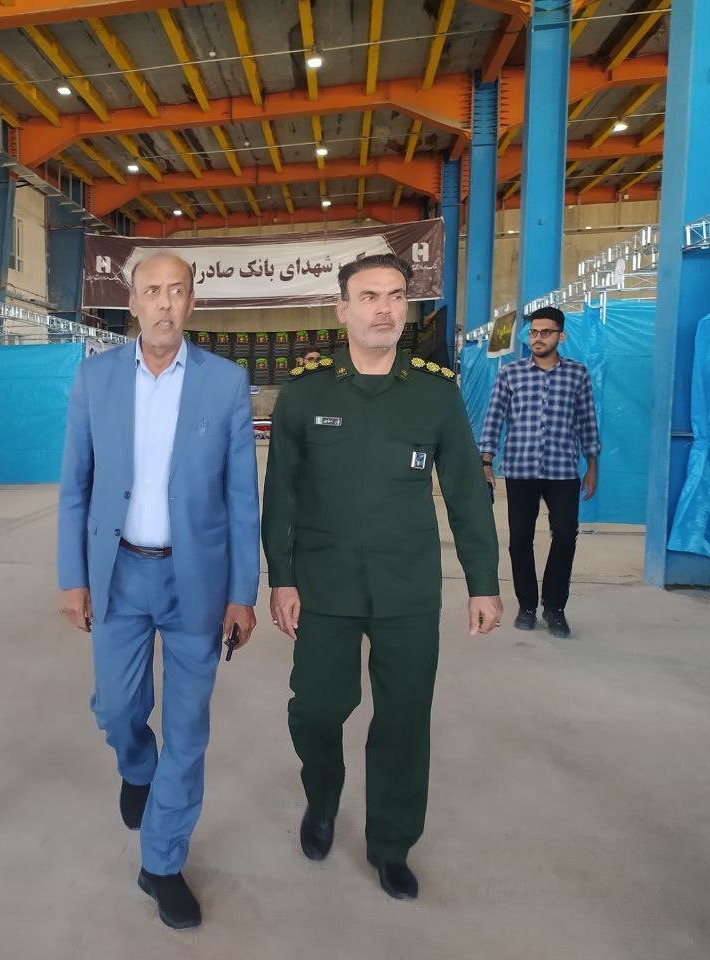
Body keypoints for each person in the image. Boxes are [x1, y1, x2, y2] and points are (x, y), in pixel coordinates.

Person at [262, 254, 501, 901]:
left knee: (403, 721)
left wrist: (483, 582)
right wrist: (281, 578)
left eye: (396, 296)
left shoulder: (434, 393)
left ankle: (391, 844)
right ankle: (322, 798)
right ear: (342, 308)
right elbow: (281, 494)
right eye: (368, 296)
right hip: (325, 584)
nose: (384, 309)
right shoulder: (307, 392)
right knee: (315, 709)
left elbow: (466, 493)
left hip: (407, 587)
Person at [57, 253, 259, 930]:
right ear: (133, 303)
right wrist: (73, 577)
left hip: (196, 579)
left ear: (191, 302)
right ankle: (136, 765)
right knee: (119, 709)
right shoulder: (96, 378)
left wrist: (242, 591)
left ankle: (163, 861)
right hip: (119, 573)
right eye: (152, 291)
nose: (165, 303)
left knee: (189, 727)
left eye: (176, 291)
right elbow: (75, 487)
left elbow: (242, 497)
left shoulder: (224, 383)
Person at [477, 306, 600, 638]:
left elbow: (587, 420)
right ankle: (527, 606)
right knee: (520, 540)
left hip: (563, 471)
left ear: (561, 336)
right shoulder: (511, 374)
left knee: (565, 535)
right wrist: (486, 462)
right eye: (533, 332)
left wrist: (592, 465)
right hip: (521, 470)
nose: (538, 338)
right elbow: (494, 418)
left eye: (546, 332)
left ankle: (555, 607)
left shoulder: (577, 374)